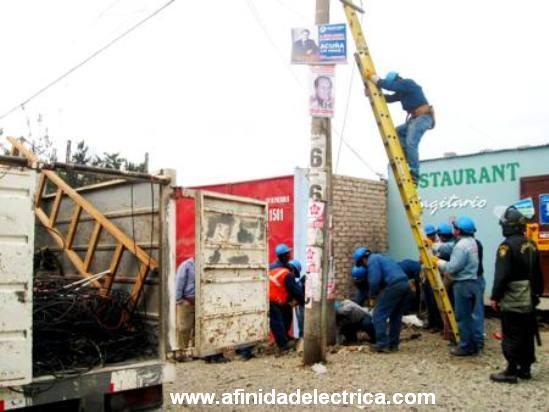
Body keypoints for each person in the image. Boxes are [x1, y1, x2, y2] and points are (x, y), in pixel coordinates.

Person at [489, 206, 544, 383]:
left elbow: (502, 275)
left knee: (511, 332)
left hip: (512, 297)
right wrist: (536, 293)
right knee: (527, 332)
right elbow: (537, 272)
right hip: (529, 296)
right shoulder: (531, 244)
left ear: (509, 226)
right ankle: (525, 369)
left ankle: (511, 370)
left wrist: (495, 297)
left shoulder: (506, 246)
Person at [367, 71, 434, 183]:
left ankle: (414, 173)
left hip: (423, 118)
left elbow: (389, 86)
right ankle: (406, 155)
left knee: (411, 142)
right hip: (414, 120)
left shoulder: (407, 83)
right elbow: (389, 98)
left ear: (397, 80)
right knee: (396, 133)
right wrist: (371, 93)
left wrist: (375, 79)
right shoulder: (402, 92)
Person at [353, 247, 413, 353]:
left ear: (363, 259)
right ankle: (393, 345)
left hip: (395, 286)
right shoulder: (383, 258)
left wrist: (372, 295)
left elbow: (374, 281)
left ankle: (382, 344)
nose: (364, 266)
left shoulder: (372, 261)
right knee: (395, 317)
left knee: (378, 314)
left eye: (362, 265)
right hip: (405, 285)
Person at [437, 216, 481, 356]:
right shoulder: (471, 242)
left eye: (455, 228)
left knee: (462, 317)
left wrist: (437, 262)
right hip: (473, 282)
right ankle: (474, 345)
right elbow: (449, 246)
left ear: (458, 231)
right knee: (470, 316)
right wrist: (433, 246)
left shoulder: (461, 246)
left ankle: (465, 346)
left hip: (462, 284)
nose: (453, 230)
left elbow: (452, 268)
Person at [269, 247, 304, 353]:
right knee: (277, 322)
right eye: (288, 253)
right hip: (273, 298)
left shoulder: (275, 268)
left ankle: (285, 338)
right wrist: (303, 301)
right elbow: (295, 291)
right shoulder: (287, 274)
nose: (290, 255)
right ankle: (283, 345)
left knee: (284, 316)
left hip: (272, 298)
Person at [175, 257, 195, 361]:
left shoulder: (204, 264)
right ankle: (181, 353)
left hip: (199, 303)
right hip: (186, 301)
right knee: (184, 328)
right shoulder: (186, 265)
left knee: (198, 328)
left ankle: (195, 352)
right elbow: (179, 282)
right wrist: (179, 300)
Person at [289, 259, 305, 339]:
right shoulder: (289, 276)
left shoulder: (302, 280)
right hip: (300, 303)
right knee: (301, 324)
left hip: (299, 303)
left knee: (301, 324)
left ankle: (301, 338)